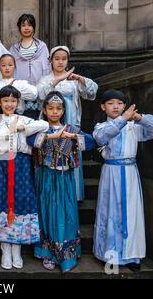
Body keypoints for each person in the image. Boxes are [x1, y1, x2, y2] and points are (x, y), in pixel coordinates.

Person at [93, 89, 153, 272]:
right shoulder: (101, 126)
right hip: (111, 172)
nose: (116, 106)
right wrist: (123, 119)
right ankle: (109, 255)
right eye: (110, 103)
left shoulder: (134, 127)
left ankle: (132, 255)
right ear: (103, 106)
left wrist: (139, 117)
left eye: (120, 103)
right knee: (110, 212)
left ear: (125, 105)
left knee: (132, 214)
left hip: (131, 171)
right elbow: (101, 137)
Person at [27, 91, 96, 273]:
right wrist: (52, 136)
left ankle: (68, 252)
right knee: (48, 211)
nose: (55, 112)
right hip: (46, 177)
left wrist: (72, 137)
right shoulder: (40, 128)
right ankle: (48, 252)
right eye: (51, 108)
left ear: (64, 110)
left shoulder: (71, 129)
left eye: (58, 108)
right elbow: (29, 140)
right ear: (44, 109)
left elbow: (90, 142)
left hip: (65, 178)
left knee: (67, 212)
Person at [0, 85, 49, 270]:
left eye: (13, 100)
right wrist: (5, 132)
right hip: (2, 165)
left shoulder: (24, 119)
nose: (9, 104)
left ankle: (17, 249)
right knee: (2, 201)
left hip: (22, 165)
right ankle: (5, 249)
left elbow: (45, 125)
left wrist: (21, 127)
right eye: (5, 101)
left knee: (22, 201)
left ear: (18, 102)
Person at [37, 46, 98, 201]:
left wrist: (79, 78)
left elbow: (91, 92)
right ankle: (51, 192)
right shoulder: (45, 79)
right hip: (52, 119)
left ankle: (73, 193)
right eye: (57, 58)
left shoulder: (74, 80)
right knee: (52, 149)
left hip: (70, 118)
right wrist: (58, 79)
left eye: (64, 59)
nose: (60, 62)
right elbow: (39, 94)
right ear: (51, 60)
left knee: (71, 148)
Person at [9, 14, 51, 119]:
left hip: (39, 89)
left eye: (29, 25)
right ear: (19, 28)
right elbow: (10, 70)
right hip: (21, 91)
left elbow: (46, 67)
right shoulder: (14, 49)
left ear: (34, 27)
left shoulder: (42, 47)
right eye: (23, 25)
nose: (26, 28)